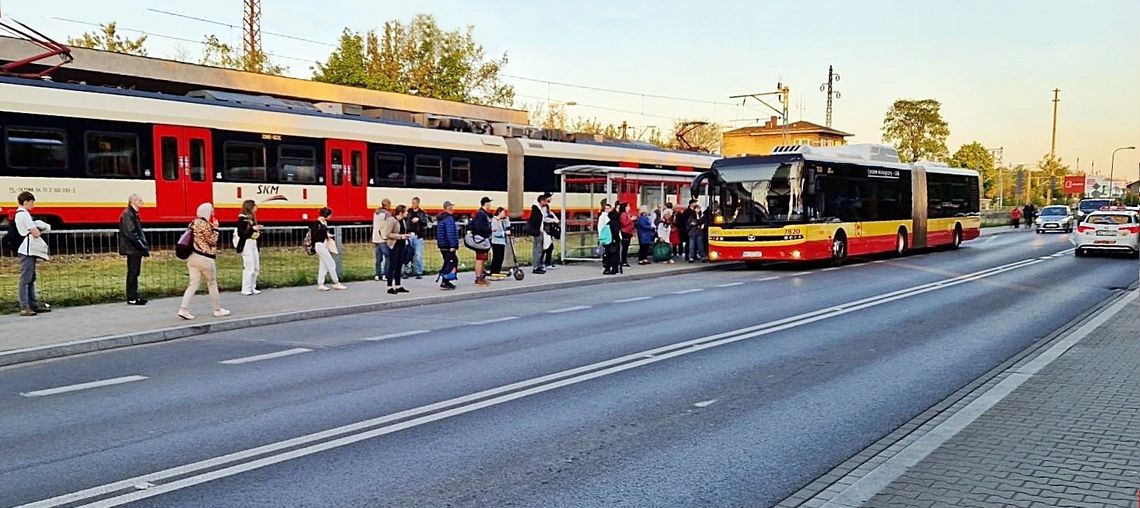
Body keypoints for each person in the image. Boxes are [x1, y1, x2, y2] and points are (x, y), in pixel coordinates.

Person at [178, 203, 230, 320]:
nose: (212, 213)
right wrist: (216, 228)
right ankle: (217, 310)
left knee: (193, 284)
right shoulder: (205, 225)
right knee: (211, 283)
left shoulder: (193, 223)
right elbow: (212, 241)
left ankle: (183, 309)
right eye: (211, 211)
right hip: (205, 258)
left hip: (192, 258)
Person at [13, 191, 49, 316]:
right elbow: (35, 232)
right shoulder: (24, 214)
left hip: (27, 248)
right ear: (26, 202)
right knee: (26, 278)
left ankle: (32, 305)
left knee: (30, 277)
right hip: (27, 249)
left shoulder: (20, 214)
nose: (33, 205)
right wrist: (39, 229)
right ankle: (25, 306)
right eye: (32, 202)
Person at [117, 193, 150, 305]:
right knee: (133, 272)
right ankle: (132, 297)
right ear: (134, 201)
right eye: (140, 200)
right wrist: (142, 246)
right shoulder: (128, 214)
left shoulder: (131, 214)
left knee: (134, 272)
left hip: (133, 248)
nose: (142, 202)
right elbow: (131, 234)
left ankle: (134, 296)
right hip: (133, 249)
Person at [312, 207, 348, 291]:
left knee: (323, 265)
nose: (330, 217)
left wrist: (327, 235)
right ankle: (336, 282)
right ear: (326, 215)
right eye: (330, 215)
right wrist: (326, 235)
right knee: (331, 263)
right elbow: (316, 236)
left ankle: (321, 283)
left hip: (322, 245)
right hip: (320, 245)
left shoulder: (322, 222)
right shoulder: (317, 224)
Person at [235, 199, 263, 296]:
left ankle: (253, 286)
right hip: (246, 244)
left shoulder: (252, 219)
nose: (256, 208)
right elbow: (241, 234)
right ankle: (245, 288)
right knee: (249, 266)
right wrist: (252, 229)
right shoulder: (242, 219)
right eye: (255, 206)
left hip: (253, 243)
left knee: (256, 266)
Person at [381, 205, 411, 295]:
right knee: (392, 265)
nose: (407, 213)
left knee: (399, 265)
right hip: (394, 245)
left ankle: (398, 285)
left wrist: (405, 236)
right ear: (401, 212)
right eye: (406, 211)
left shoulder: (403, 221)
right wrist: (400, 236)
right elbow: (388, 234)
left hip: (402, 244)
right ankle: (389, 286)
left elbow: (402, 231)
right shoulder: (392, 220)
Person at [436, 201, 460, 290]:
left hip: (443, 244)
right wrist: (453, 246)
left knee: (448, 262)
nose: (453, 209)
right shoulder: (449, 219)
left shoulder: (441, 218)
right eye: (452, 208)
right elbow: (450, 233)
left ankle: (446, 280)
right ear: (449, 208)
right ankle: (445, 281)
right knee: (451, 262)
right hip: (448, 245)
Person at [471, 196, 495, 287]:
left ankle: (481, 276)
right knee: (480, 259)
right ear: (486, 203)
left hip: (482, 239)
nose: (490, 204)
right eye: (489, 202)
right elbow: (480, 227)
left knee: (483, 259)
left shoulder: (482, 213)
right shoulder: (482, 214)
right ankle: (478, 278)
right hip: (481, 239)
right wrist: (490, 230)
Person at [527, 193, 552, 274]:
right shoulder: (537, 210)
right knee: (538, 249)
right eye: (545, 201)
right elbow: (535, 221)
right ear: (541, 201)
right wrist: (538, 229)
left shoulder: (538, 209)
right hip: (537, 232)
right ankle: (536, 267)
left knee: (539, 249)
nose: (546, 203)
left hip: (538, 231)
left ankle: (537, 265)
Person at [406, 197, 429, 279]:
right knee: (407, 254)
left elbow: (425, 222)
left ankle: (419, 271)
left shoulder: (422, 213)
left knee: (418, 255)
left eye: (414, 203)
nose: (413, 205)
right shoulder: (408, 212)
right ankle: (407, 271)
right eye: (412, 203)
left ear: (418, 203)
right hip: (409, 235)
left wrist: (419, 220)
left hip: (418, 236)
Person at [371, 199, 391, 281]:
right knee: (388, 256)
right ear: (387, 205)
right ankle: (385, 274)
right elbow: (389, 225)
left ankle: (377, 274)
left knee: (378, 258)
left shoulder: (376, 213)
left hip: (375, 237)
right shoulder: (387, 214)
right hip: (382, 238)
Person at [489, 207, 511, 280]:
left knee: (500, 258)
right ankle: (494, 272)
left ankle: (497, 272)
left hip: (501, 242)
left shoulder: (501, 221)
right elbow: (495, 233)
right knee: (497, 258)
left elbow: (507, 226)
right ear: (499, 212)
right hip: (496, 242)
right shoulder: (495, 221)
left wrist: (506, 219)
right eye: (503, 212)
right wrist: (504, 233)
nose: (504, 214)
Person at [598, 202, 617, 275]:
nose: (608, 210)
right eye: (607, 208)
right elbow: (601, 228)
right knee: (607, 253)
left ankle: (607, 266)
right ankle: (606, 265)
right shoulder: (604, 217)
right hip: (606, 237)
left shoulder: (609, 217)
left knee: (608, 252)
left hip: (608, 237)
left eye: (609, 208)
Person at [542, 202, 560, 269]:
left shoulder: (548, 210)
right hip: (545, 231)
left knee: (548, 247)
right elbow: (544, 218)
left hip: (548, 231)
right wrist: (553, 220)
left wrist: (555, 219)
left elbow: (552, 214)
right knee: (547, 247)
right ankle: (545, 263)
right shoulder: (543, 210)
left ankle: (546, 263)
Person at [618, 202, 635, 267]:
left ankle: (624, 260)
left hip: (628, 232)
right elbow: (624, 223)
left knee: (626, 247)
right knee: (625, 247)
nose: (629, 207)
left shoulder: (627, 214)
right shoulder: (623, 214)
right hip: (625, 232)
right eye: (628, 206)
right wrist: (631, 219)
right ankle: (623, 261)